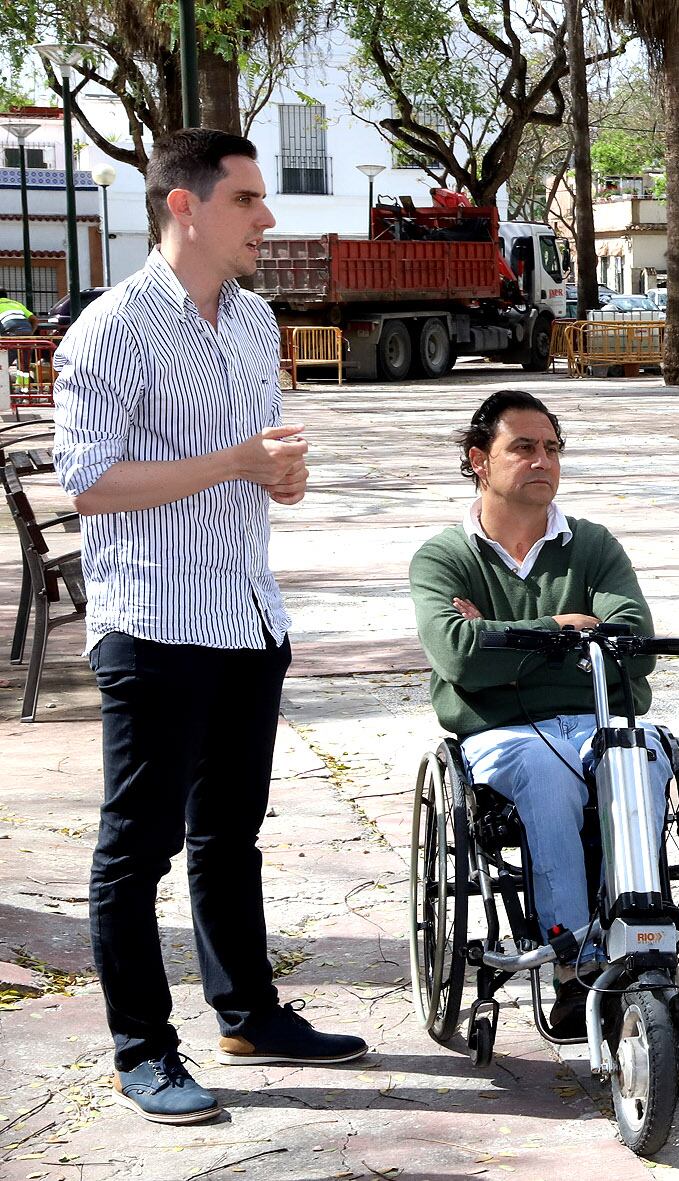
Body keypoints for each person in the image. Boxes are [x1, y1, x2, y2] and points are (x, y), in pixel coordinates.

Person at [52, 128, 366, 1126]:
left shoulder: (251, 319)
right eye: (247, 200)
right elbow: (89, 481)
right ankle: (143, 1049)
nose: (267, 219)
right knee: (134, 850)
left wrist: (282, 473)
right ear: (182, 206)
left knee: (230, 835)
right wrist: (235, 462)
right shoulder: (111, 329)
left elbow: (266, 465)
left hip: (245, 615)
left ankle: (248, 1011)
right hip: (154, 620)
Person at [409, 389, 671, 1037]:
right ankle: (575, 968)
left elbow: (633, 646)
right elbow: (460, 658)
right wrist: (562, 630)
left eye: (551, 447)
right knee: (545, 771)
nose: (541, 460)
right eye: (522, 447)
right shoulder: (443, 558)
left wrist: (506, 638)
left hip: (597, 723)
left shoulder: (593, 546)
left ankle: (640, 943)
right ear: (480, 460)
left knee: (641, 752)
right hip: (499, 737)